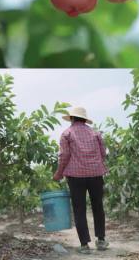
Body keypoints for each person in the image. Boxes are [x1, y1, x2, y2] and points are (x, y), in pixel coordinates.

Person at [53, 106, 109, 254]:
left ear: (71, 118)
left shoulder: (67, 134)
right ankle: (101, 240)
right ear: (84, 119)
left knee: (79, 209)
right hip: (96, 174)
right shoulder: (95, 133)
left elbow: (64, 156)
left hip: (75, 176)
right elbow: (103, 154)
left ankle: (84, 245)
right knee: (98, 206)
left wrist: (58, 174)